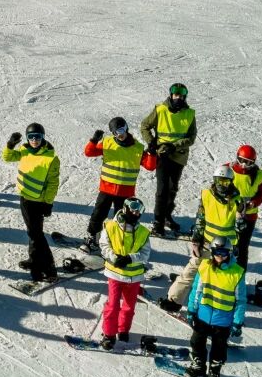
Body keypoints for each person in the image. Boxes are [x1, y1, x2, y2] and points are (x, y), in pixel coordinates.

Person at [164, 162, 239, 312]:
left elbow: (240, 228)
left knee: (220, 278)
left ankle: (217, 309)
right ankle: (174, 300)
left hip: (225, 250)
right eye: (219, 181)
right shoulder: (207, 195)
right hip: (206, 244)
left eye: (225, 182)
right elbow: (201, 219)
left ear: (231, 182)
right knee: (191, 269)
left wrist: (242, 220)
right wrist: (196, 240)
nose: (221, 185)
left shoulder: (237, 200)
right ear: (214, 180)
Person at [184, 240, 247, 377]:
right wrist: (191, 310)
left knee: (219, 348)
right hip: (203, 316)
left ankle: (214, 371)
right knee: (196, 342)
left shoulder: (237, 273)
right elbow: (196, 290)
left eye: (223, 253)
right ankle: (198, 366)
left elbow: (240, 301)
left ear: (229, 253)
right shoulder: (205, 266)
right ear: (212, 252)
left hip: (223, 320)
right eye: (217, 253)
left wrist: (237, 322)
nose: (220, 256)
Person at [81, 117, 149, 254]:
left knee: (122, 219)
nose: (119, 134)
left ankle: (118, 243)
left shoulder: (137, 148)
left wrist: (152, 153)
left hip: (125, 192)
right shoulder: (107, 143)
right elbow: (89, 152)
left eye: (121, 130)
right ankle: (92, 238)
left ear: (126, 128)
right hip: (106, 189)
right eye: (115, 132)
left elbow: (150, 166)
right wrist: (94, 140)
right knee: (98, 214)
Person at [3, 123, 60, 282]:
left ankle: (49, 267)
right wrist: (10, 145)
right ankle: (34, 259)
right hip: (25, 198)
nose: (34, 140)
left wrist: (48, 203)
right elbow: (7, 157)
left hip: (38, 201)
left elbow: (53, 183)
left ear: (43, 137)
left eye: (38, 137)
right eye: (31, 137)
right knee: (33, 232)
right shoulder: (24, 150)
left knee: (36, 234)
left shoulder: (51, 158)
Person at [142, 82, 198, 235]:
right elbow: (145, 125)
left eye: (181, 95)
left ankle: (166, 216)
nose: (178, 97)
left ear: (184, 97)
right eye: (176, 94)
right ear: (171, 95)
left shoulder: (189, 113)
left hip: (178, 156)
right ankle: (158, 222)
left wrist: (175, 146)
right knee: (162, 190)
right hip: (162, 155)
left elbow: (191, 137)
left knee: (172, 188)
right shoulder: (160, 109)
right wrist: (151, 142)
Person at [98, 196, 153, 349]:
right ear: (125, 208)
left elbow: (145, 254)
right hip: (115, 274)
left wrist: (130, 258)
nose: (136, 213)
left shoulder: (143, 232)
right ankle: (109, 334)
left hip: (134, 276)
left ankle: (123, 330)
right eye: (133, 208)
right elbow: (104, 245)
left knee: (129, 306)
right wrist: (115, 257)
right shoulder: (111, 226)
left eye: (139, 210)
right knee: (113, 305)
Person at [230, 145, 262, 272]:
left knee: (242, 246)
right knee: (228, 242)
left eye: (248, 162)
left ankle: (240, 272)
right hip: (229, 214)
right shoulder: (228, 169)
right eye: (241, 160)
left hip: (248, 216)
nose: (244, 165)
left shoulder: (258, 175)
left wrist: (253, 203)